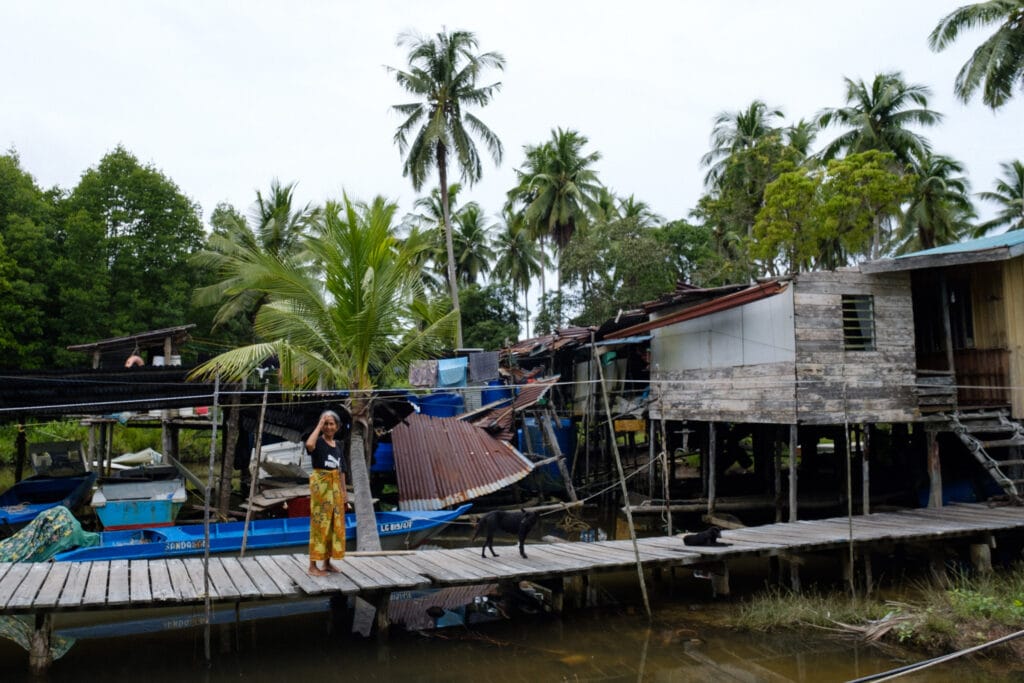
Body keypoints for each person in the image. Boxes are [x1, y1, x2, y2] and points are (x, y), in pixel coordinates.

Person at [305, 410, 348, 575]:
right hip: (321, 488)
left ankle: (327, 563)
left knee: (333, 525)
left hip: (335, 487)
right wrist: (318, 424)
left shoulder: (338, 445)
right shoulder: (318, 442)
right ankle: (312, 566)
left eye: (331, 424)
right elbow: (309, 445)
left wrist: (344, 494)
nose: (329, 427)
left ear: (337, 427)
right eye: (326, 423)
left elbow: (342, 470)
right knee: (319, 524)